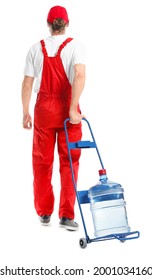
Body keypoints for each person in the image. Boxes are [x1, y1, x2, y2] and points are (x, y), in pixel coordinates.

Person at [21, 6, 86, 230]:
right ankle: (67, 216)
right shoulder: (76, 46)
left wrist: (25, 112)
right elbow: (79, 75)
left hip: (43, 110)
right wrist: (72, 108)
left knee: (41, 162)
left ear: (48, 24)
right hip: (67, 108)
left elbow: (27, 83)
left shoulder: (35, 48)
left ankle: (44, 212)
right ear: (66, 23)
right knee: (70, 162)